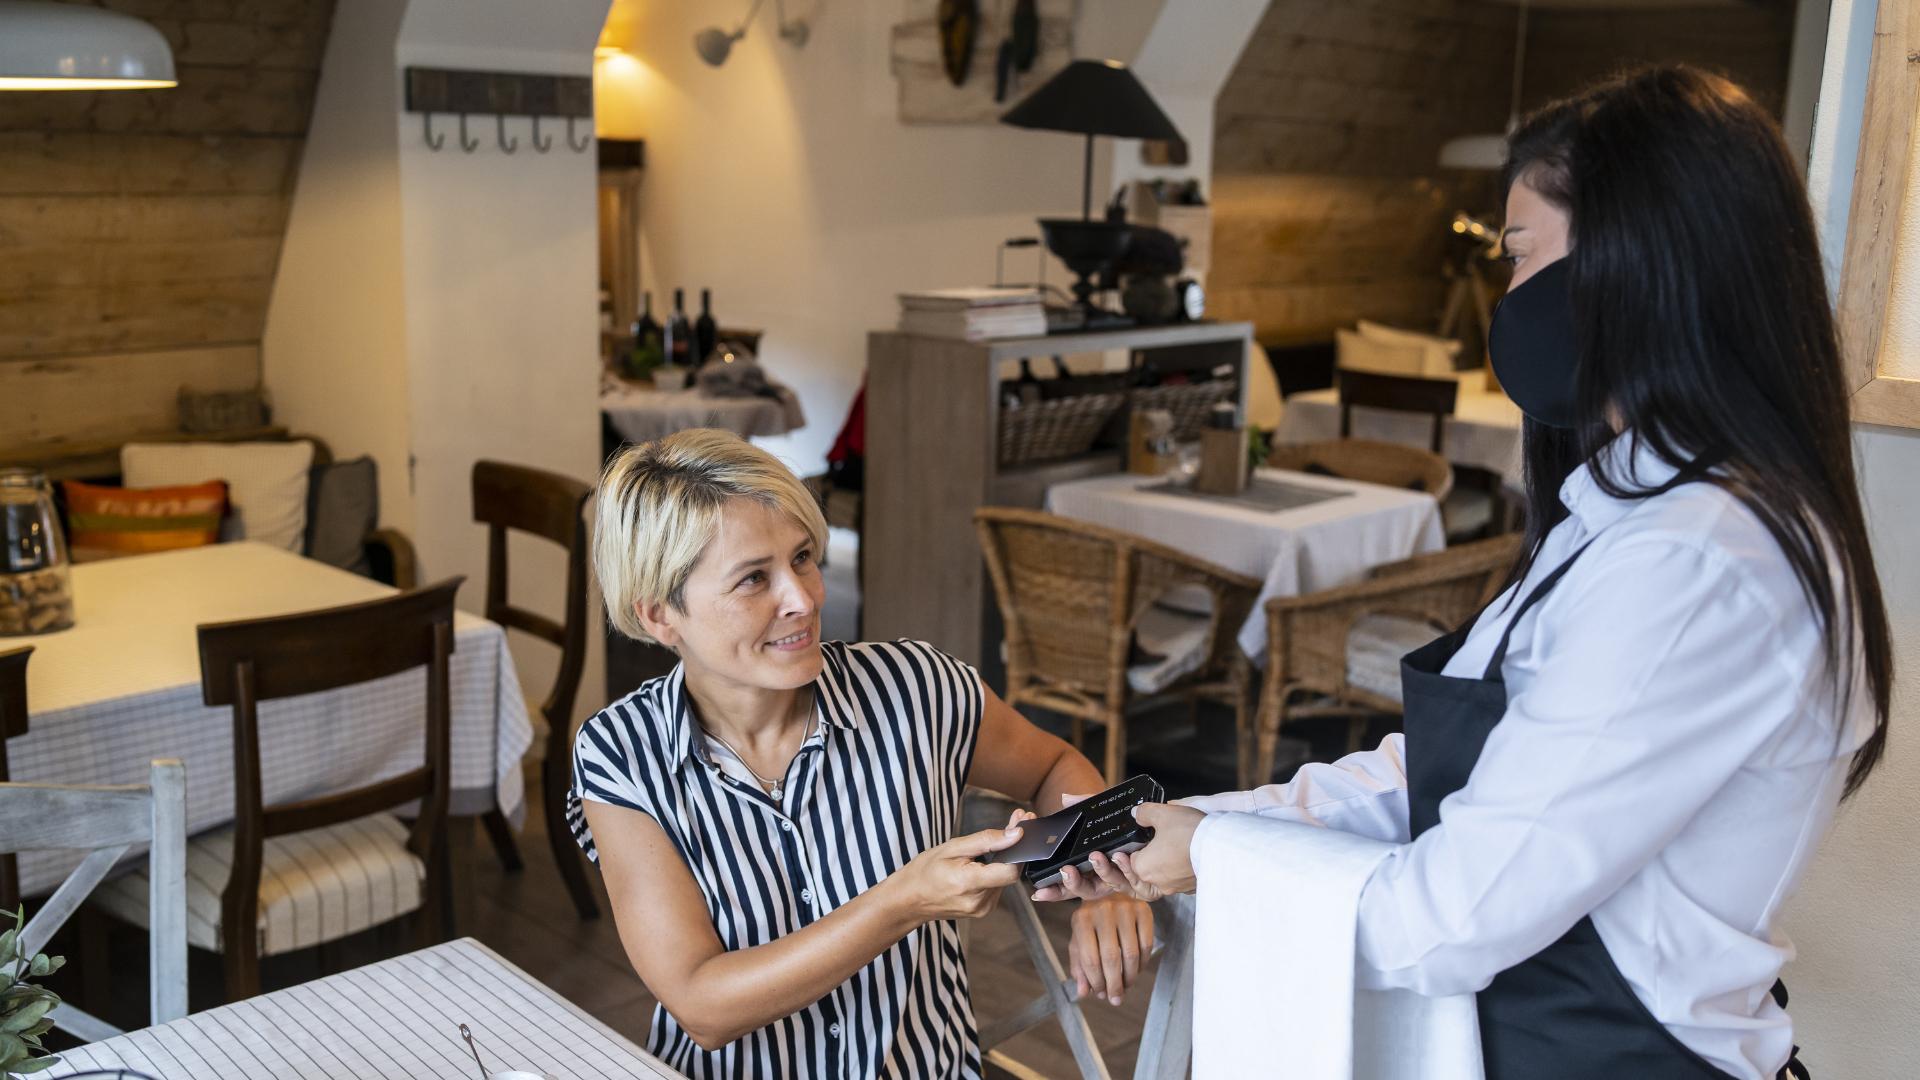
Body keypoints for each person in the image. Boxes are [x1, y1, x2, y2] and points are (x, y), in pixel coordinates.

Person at [1040, 66, 1892, 1080]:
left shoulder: (1699, 562)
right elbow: (1425, 781)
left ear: (1636, 262)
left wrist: (1208, 861)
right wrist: (1164, 827)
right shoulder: (1625, 513)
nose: (1510, 304)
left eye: (1524, 260)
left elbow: (1447, 919)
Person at [570, 428, 1153, 1078]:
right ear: (659, 615)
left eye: (802, 558)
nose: (803, 598)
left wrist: (1105, 877)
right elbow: (703, 1004)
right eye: (754, 579)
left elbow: (1051, 767)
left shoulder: (919, 688)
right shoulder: (620, 754)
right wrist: (902, 901)